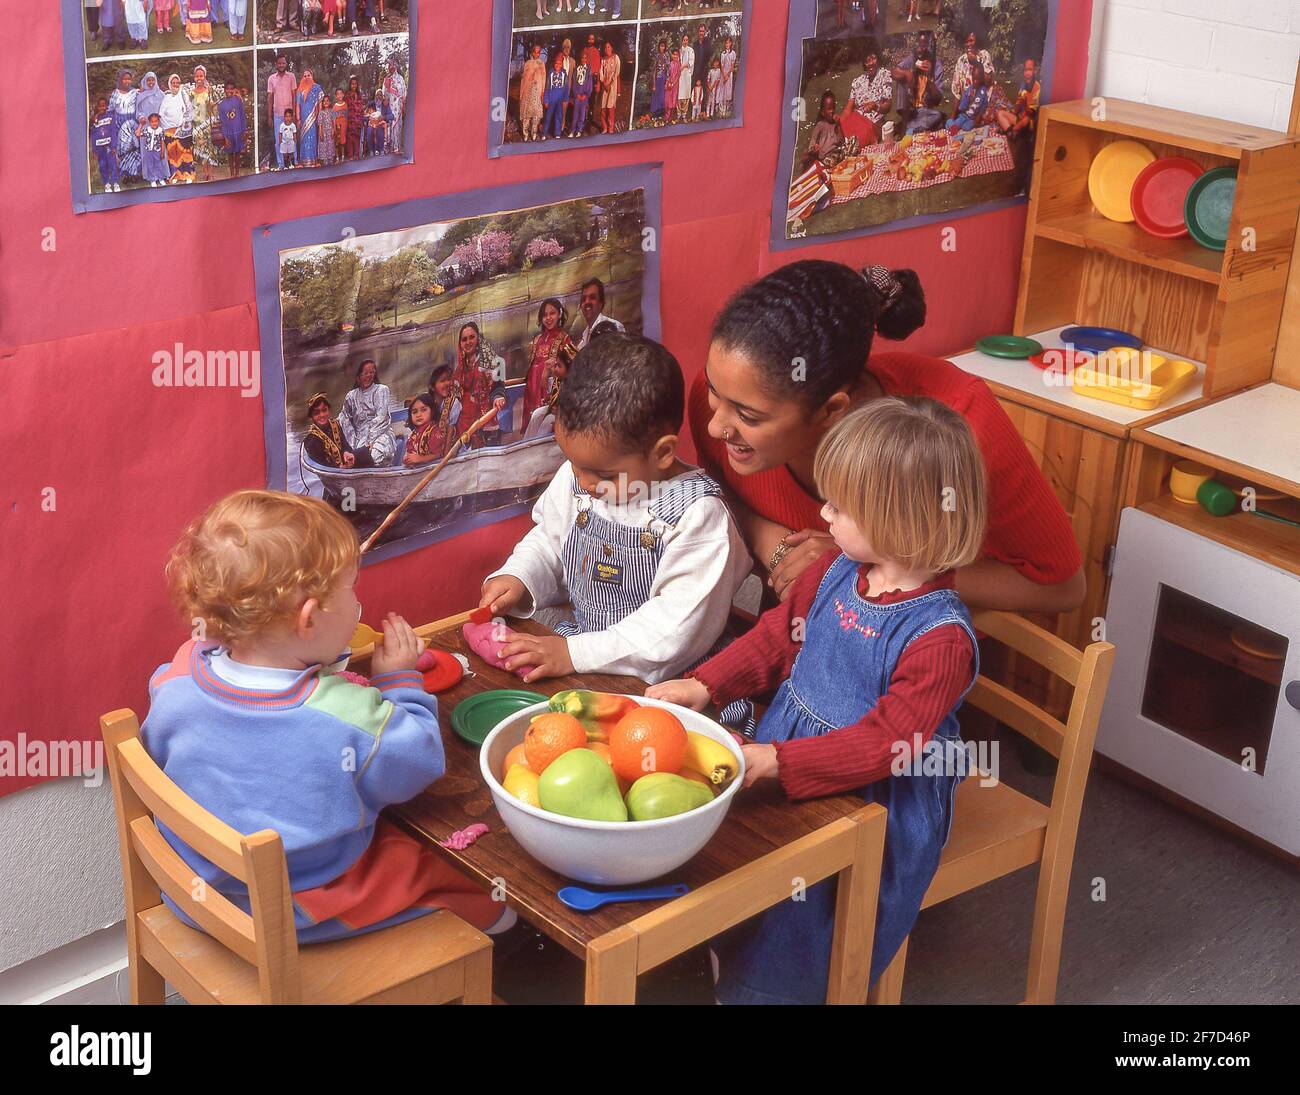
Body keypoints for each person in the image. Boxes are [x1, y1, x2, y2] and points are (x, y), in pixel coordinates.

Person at [649, 398, 986, 1006]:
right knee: (727, 867)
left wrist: (779, 761)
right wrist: (706, 684)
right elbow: (777, 637)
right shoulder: (834, 569)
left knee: (799, 924)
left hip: (879, 797)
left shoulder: (940, 638)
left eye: (840, 505)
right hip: (789, 750)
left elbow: (891, 742)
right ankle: (721, 974)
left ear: (898, 520)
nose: (822, 513)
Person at [144, 491, 512, 945]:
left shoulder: (178, 676)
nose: (357, 603)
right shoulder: (344, 716)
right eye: (351, 591)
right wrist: (398, 681)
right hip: (291, 909)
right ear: (310, 618)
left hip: (193, 893)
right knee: (452, 872)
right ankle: (508, 944)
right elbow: (418, 762)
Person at [687, 260, 1086, 614]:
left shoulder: (956, 426)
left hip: (916, 664)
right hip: (793, 646)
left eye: (748, 415)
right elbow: (715, 498)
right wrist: (766, 537)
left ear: (831, 410)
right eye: (714, 390)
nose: (715, 425)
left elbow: (1063, 590)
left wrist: (868, 565)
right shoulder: (721, 401)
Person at [479, 333, 752, 693]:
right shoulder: (581, 474)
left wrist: (574, 654)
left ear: (663, 452)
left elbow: (670, 634)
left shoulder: (697, 517)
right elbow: (550, 541)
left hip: (668, 689)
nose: (584, 482)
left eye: (604, 475)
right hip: (588, 664)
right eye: (573, 463)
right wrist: (519, 577)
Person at [451, 323, 508, 448]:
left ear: (478, 339)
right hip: (464, 423)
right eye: (464, 339)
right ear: (460, 344)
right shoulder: (459, 369)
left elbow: (498, 385)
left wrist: (498, 396)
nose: (468, 342)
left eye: (472, 337)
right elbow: (454, 396)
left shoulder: (489, 361)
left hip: (485, 421)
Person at [524, 299, 578, 421]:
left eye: (552, 313)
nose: (548, 318)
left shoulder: (564, 339)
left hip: (550, 389)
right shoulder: (537, 339)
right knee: (532, 421)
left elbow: (570, 370)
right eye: (544, 315)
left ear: (559, 314)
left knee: (545, 421)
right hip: (532, 388)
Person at [341, 359, 396, 465]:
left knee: (375, 457)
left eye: (372, 372)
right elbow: (344, 417)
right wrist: (352, 439)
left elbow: (381, 418)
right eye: (365, 373)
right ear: (358, 376)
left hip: (381, 433)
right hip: (359, 437)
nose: (369, 376)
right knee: (349, 458)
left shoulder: (382, 390)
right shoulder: (351, 396)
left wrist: (369, 441)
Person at [840, 46, 892, 146]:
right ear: (864, 64)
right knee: (840, 134)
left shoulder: (884, 75)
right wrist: (838, 124)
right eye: (867, 61)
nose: (871, 63)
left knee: (857, 141)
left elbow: (888, 106)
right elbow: (848, 110)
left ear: (878, 58)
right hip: (856, 118)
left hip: (872, 123)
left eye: (873, 58)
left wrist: (875, 106)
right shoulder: (858, 81)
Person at [160, 74, 196, 183]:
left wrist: (182, 124)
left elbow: (190, 111)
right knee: (173, 153)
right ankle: (175, 175)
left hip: (183, 129)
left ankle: (188, 174)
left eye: (177, 83)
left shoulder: (183, 95)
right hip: (169, 129)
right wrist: (168, 126)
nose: (175, 85)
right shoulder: (166, 97)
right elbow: (161, 114)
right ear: (169, 84)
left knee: (185, 152)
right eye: (173, 83)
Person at [303, 394, 356, 468]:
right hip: (334, 472)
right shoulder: (311, 440)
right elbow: (322, 465)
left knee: (366, 452)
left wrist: (346, 453)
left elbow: (345, 445)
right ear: (311, 416)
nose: (322, 415)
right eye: (316, 413)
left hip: (347, 463)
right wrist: (342, 468)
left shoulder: (336, 425)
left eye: (324, 410)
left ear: (329, 410)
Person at [900, 48, 945, 134]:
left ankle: (912, 129)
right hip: (913, 111)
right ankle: (916, 127)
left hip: (926, 111)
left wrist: (929, 78)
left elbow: (937, 100)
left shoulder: (930, 74)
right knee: (920, 119)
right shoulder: (913, 73)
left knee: (937, 115)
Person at [575, 278, 624, 350]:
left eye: (592, 297)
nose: (587, 302)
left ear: (600, 303)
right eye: (584, 299)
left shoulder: (614, 327)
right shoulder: (584, 336)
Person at [996, 58, 1041, 137]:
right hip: (1018, 119)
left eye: (1030, 70)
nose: (1027, 73)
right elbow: (1016, 109)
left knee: (1026, 120)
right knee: (1000, 113)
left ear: (1035, 71)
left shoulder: (1037, 88)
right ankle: (1011, 132)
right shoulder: (1023, 86)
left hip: (1029, 122)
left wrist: (1024, 103)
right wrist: (1016, 107)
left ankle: (1011, 131)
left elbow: (1031, 114)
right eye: (1025, 70)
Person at [403, 393, 447, 467]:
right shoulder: (415, 432)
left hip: (431, 467)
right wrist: (407, 457)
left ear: (432, 412)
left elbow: (438, 454)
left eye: (423, 410)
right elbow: (409, 448)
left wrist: (420, 458)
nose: (418, 415)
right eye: (414, 412)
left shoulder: (434, 431)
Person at [190, 65, 218, 183]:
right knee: (201, 150)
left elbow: (215, 106)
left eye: (201, 75)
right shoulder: (191, 93)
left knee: (209, 150)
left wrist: (213, 108)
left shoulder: (209, 91)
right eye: (197, 76)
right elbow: (189, 109)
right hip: (196, 126)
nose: (199, 78)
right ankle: (205, 173)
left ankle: (210, 173)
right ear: (194, 78)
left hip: (207, 126)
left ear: (204, 76)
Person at [950, 31, 995, 102]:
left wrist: (976, 63)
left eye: (971, 41)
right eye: (966, 42)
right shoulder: (961, 61)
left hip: (984, 103)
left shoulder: (984, 55)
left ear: (977, 41)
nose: (968, 44)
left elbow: (988, 81)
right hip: (967, 106)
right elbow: (957, 93)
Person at [803, 91, 843, 171]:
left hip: (836, 153)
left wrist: (838, 126)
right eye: (829, 109)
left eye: (833, 108)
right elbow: (811, 145)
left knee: (853, 143)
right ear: (823, 112)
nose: (832, 111)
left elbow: (841, 141)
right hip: (826, 158)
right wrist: (814, 149)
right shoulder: (820, 126)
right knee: (832, 160)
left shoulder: (836, 124)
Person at [947, 61, 990, 134]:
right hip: (963, 116)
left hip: (972, 119)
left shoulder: (983, 91)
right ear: (972, 77)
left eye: (978, 79)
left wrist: (978, 117)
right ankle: (952, 126)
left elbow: (984, 105)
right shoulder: (969, 90)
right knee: (952, 122)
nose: (976, 82)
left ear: (982, 78)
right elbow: (962, 108)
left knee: (967, 127)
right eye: (974, 79)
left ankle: (955, 127)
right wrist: (969, 100)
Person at [91, 99, 122, 192]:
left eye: (103, 106)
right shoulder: (95, 119)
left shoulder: (110, 117)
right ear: (97, 107)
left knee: (112, 165)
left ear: (107, 106)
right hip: (100, 147)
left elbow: (113, 132)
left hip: (109, 146)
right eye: (100, 106)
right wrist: (94, 150)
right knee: (102, 165)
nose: (102, 108)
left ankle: (115, 183)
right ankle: (106, 183)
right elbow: (93, 135)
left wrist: (113, 146)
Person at [296, 68, 325, 165]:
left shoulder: (317, 88)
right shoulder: (300, 90)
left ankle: (313, 160)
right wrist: (298, 119)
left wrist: (320, 116)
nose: (307, 77)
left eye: (309, 75)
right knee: (304, 139)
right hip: (304, 119)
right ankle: (304, 161)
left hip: (313, 118)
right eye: (305, 76)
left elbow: (320, 103)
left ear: (312, 76)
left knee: (312, 138)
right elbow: (298, 105)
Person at [218, 84, 247, 176]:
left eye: (231, 89)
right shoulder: (222, 104)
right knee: (230, 154)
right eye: (227, 89)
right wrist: (225, 136)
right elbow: (222, 121)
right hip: (228, 133)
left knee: (237, 153)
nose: (229, 91)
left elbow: (242, 115)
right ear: (224, 90)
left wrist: (244, 130)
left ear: (234, 89)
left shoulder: (238, 101)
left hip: (238, 131)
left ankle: (237, 173)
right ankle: (232, 174)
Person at [519, 43, 546, 142]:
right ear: (532, 53)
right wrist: (521, 93)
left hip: (537, 91)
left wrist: (542, 92)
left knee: (536, 114)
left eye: (538, 53)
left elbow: (543, 79)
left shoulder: (541, 64)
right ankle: (525, 133)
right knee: (526, 115)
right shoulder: (527, 63)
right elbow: (523, 79)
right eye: (535, 52)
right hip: (527, 91)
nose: (537, 54)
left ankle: (534, 132)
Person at [542, 52, 570, 141]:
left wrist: (566, 98)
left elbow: (566, 87)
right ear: (554, 64)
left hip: (560, 97)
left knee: (559, 115)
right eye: (556, 63)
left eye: (560, 63)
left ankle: (557, 133)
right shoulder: (550, 73)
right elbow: (547, 87)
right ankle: (544, 133)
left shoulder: (564, 74)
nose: (558, 65)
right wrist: (546, 100)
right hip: (552, 96)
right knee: (548, 115)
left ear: (562, 64)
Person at [267, 54, 296, 136]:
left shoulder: (291, 77)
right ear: (276, 64)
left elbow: (294, 96)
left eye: (283, 63)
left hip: (289, 114)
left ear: (286, 64)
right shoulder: (271, 79)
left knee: (291, 139)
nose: (281, 65)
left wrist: (294, 114)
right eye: (279, 63)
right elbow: (270, 99)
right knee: (279, 140)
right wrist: (269, 117)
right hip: (278, 115)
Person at [139, 112, 171, 186]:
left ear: (158, 121)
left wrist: (162, 152)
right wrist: (141, 125)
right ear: (149, 122)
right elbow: (138, 134)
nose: (154, 123)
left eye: (156, 121)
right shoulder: (147, 130)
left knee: (159, 165)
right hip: (149, 151)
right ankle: (152, 179)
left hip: (157, 151)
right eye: (152, 122)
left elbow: (162, 141)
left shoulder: (160, 130)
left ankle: (161, 178)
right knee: (150, 165)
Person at [382, 59, 406, 153]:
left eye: (392, 65)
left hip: (398, 106)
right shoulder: (386, 79)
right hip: (390, 107)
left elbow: (403, 92)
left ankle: (397, 146)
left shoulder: (400, 78)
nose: (391, 67)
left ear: (395, 66)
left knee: (398, 125)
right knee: (391, 125)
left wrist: (403, 103)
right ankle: (391, 146)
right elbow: (385, 95)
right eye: (389, 65)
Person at [599, 41, 621, 134]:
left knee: (610, 107)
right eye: (605, 47)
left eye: (608, 47)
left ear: (612, 48)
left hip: (612, 86)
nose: (607, 49)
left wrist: (610, 83)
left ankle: (610, 128)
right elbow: (601, 72)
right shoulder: (603, 59)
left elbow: (617, 72)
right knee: (603, 107)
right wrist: (604, 83)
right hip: (605, 86)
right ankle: (604, 127)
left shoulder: (615, 58)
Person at [569, 56, 593, 137]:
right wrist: (576, 94)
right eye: (582, 58)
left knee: (582, 113)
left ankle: (579, 130)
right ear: (580, 59)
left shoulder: (589, 71)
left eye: (585, 58)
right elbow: (574, 83)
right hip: (577, 95)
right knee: (575, 113)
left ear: (587, 59)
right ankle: (572, 130)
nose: (583, 59)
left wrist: (586, 94)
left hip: (584, 96)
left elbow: (589, 84)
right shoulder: (576, 69)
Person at [649, 38, 670, 123]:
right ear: (659, 47)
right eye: (661, 46)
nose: (662, 48)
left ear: (665, 47)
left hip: (664, 79)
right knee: (656, 97)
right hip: (657, 79)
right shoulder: (656, 56)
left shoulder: (667, 56)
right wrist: (654, 83)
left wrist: (667, 81)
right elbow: (654, 70)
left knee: (662, 98)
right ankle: (655, 115)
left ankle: (661, 115)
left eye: (663, 46)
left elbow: (668, 69)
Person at [345, 74, 365, 159]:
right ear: (350, 85)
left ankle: (356, 155)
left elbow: (361, 108)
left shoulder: (360, 95)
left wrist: (361, 118)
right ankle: (350, 155)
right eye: (352, 84)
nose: (354, 85)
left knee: (357, 137)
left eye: (355, 84)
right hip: (350, 120)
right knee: (350, 138)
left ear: (357, 85)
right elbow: (345, 108)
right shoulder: (347, 95)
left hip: (358, 120)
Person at [676, 32, 694, 123]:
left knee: (686, 94)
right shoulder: (679, 51)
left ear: (688, 40)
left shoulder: (690, 50)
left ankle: (684, 115)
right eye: (684, 40)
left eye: (687, 40)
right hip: (680, 75)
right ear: (682, 40)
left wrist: (683, 66)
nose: (685, 41)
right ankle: (678, 114)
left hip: (686, 75)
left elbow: (691, 62)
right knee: (679, 94)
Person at [718, 36, 737, 118]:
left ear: (731, 43)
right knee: (722, 92)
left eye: (729, 42)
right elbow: (721, 66)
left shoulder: (733, 53)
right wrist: (723, 75)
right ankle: (721, 111)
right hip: (723, 74)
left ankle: (727, 111)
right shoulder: (723, 54)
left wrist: (728, 75)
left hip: (729, 75)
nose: (727, 44)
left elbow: (732, 66)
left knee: (728, 92)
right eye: (726, 43)